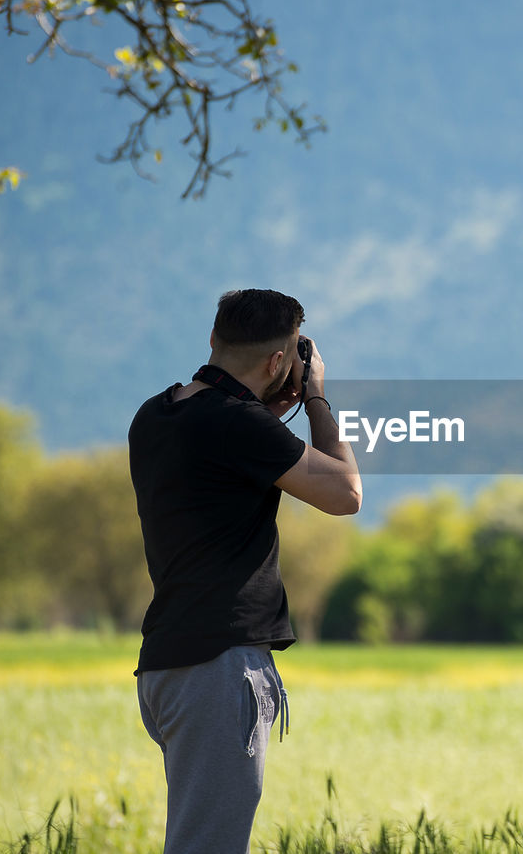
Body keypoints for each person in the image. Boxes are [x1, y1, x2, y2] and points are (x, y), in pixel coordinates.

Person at [128, 288, 361, 854]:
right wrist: (317, 402)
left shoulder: (156, 414)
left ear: (214, 339)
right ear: (280, 363)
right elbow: (345, 493)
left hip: (168, 664)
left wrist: (264, 410)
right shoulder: (240, 426)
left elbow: (221, 452)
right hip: (218, 667)